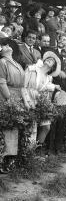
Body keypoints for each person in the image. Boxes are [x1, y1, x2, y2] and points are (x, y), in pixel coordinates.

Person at [21, 51, 62, 156]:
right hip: (30, 99)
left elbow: (47, 88)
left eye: (52, 61)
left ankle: (37, 151)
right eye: (48, 58)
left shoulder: (49, 78)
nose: (50, 60)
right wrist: (26, 101)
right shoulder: (32, 69)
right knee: (31, 129)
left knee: (46, 127)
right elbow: (23, 86)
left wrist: (55, 88)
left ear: (53, 68)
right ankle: (28, 154)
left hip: (41, 102)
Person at [0, 38, 25, 173]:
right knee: (6, 129)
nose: (6, 46)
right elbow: (2, 84)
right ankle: (2, 161)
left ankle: (10, 160)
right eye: (3, 45)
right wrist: (11, 100)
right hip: (6, 98)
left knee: (13, 130)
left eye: (6, 44)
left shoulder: (16, 63)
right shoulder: (2, 62)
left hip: (16, 97)